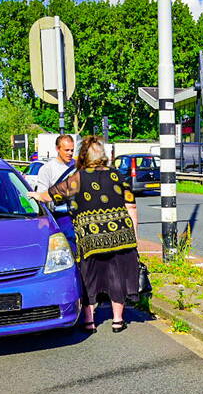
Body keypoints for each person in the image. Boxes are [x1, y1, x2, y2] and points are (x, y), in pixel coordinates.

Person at [30, 136, 139, 333]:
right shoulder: (117, 175)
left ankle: (89, 321)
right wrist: (134, 236)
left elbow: (51, 195)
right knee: (116, 276)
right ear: (103, 155)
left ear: (83, 156)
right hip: (120, 237)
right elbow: (131, 205)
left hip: (90, 239)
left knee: (89, 277)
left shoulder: (78, 178)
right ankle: (117, 320)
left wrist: (35, 195)